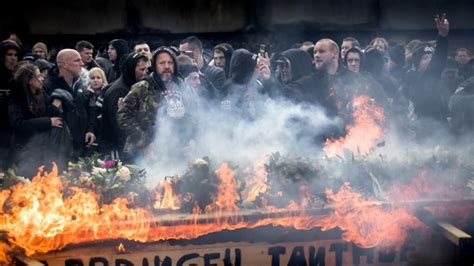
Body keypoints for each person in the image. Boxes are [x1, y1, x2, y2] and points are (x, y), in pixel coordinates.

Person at [117, 46, 186, 161]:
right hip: (143, 154)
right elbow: (123, 115)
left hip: (174, 152)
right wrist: (144, 142)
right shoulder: (142, 88)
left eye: (170, 63)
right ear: (154, 66)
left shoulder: (183, 87)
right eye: (162, 63)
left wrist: (190, 140)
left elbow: (193, 116)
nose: (166, 67)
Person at [8, 63, 65, 177]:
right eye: (38, 76)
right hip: (23, 151)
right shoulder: (17, 98)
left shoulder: (42, 94)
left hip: (42, 150)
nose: (42, 78)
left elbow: (51, 113)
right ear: (29, 80)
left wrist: (56, 107)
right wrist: (48, 122)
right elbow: (18, 124)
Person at [44, 49, 96, 159]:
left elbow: (90, 108)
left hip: (82, 144)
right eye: (77, 61)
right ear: (64, 64)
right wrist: (55, 108)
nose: (82, 64)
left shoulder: (81, 82)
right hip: (60, 149)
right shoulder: (48, 86)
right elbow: (44, 115)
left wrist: (91, 129)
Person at [102, 52, 148, 158]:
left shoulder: (134, 87)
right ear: (131, 70)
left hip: (130, 147)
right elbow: (118, 125)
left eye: (146, 69)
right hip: (117, 149)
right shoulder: (119, 90)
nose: (146, 73)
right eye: (142, 70)